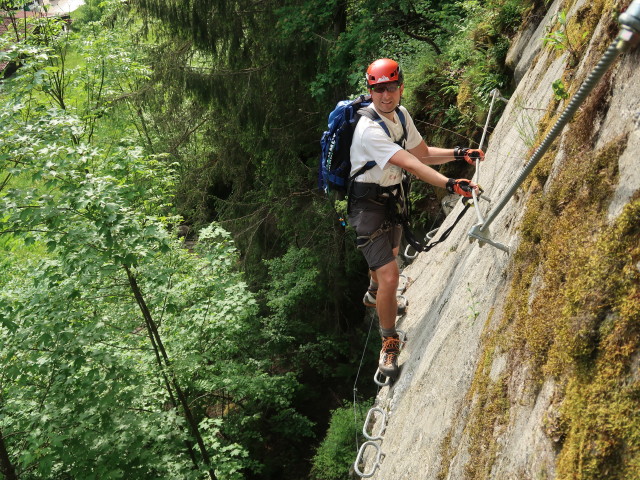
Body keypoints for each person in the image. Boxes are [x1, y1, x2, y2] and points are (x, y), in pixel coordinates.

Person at [347, 58, 485, 379]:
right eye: (379, 89)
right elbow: (411, 165)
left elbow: (420, 153)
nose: (386, 95)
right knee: (392, 276)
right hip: (367, 206)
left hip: (392, 197)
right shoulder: (368, 129)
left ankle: (372, 291)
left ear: (400, 88)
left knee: (390, 259)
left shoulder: (401, 115)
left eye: (391, 88)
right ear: (370, 91)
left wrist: (459, 153)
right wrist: (450, 183)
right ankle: (389, 342)